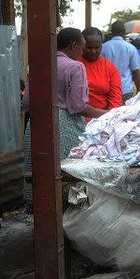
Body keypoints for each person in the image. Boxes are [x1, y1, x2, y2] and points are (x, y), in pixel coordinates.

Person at [23, 28, 108, 206]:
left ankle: (38, 210)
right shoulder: (75, 66)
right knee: (65, 175)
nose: (83, 52)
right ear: (73, 45)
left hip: (36, 123)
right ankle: (67, 216)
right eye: (82, 48)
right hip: (63, 126)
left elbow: (27, 102)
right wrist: (106, 113)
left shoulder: (40, 63)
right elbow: (78, 106)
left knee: (38, 172)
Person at [78, 27, 123, 112]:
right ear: (82, 45)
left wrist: (108, 119)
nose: (93, 51)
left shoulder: (110, 68)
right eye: (89, 47)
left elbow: (115, 99)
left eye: (97, 47)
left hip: (101, 119)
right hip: (76, 118)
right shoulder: (73, 64)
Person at [102, 21, 140, 101]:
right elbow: (135, 71)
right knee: (124, 112)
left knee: (108, 113)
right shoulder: (131, 48)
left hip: (107, 89)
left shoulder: (103, 47)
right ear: (124, 32)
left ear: (111, 32)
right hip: (125, 89)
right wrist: (138, 89)